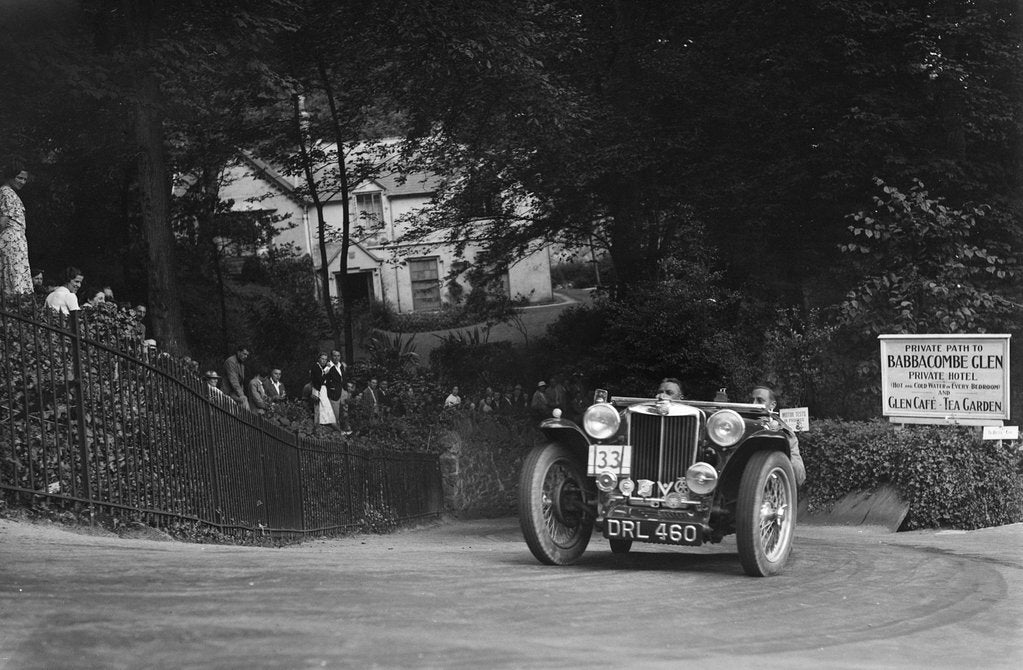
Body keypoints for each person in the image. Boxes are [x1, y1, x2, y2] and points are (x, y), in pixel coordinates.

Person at [748, 384, 806, 486]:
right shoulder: (738, 424)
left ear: (772, 405)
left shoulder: (786, 432)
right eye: (751, 400)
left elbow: (799, 476)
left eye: (760, 401)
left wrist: (778, 441)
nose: (754, 404)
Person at [0, 162, 32, 296]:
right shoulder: (5, 192)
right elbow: (3, 221)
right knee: (13, 275)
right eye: (19, 178)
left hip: (18, 241)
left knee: (16, 274)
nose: (22, 182)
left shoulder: (11, 193)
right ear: (10, 176)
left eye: (25, 179)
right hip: (11, 240)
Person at [308, 352, 336, 429]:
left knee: (324, 408)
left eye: (325, 359)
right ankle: (317, 427)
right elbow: (320, 380)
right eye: (322, 359)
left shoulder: (320, 367)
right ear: (319, 359)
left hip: (323, 389)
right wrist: (326, 371)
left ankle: (324, 426)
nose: (323, 361)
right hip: (318, 389)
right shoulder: (315, 367)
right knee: (318, 409)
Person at [223, 345, 251, 410]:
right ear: (238, 352)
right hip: (228, 392)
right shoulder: (231, 362)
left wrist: (242, 394)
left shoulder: (241, 364)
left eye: (247, 355)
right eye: (244, 354)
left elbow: (241, 382)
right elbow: (233, 380)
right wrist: (241, 395)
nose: (246, 356)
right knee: (244, 401)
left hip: (235, 393)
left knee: (244, 402)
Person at [324, 350, 347, 425]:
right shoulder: (328, 366)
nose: (336, 358)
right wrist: (331, 387)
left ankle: (344, 429)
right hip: (334, 393)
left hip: (342, 391)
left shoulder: (341, 366)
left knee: (344, 413)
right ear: (331, 357)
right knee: (335, 414)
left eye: (338, 356)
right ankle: (336, 432)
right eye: (335, 356)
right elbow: (323, 378)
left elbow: (343, 378)